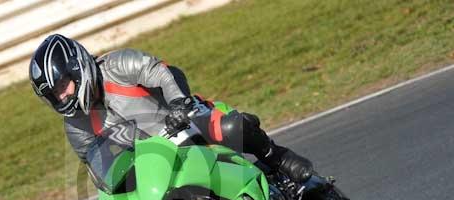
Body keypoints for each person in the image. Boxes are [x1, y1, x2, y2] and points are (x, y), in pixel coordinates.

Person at [29, 34, 312, 182]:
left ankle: (277, 158)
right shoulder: (76, 126)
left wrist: (179, 103)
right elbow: (95, 164)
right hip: (156, 161)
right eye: (55, 94)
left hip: (183, 121)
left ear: (77, 68)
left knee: (230, 126)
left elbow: (163, 73)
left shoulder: (116, 65)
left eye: (63, 84)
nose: (64, 95)